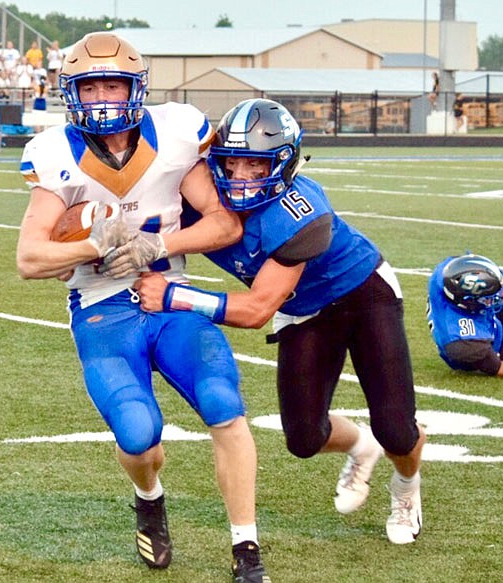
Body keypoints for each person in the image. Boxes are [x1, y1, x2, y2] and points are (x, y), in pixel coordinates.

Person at [16, 32, 270, 582]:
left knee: (223, 401)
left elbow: (224, 221)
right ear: (71, 93)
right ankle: (148, 497)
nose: (104, 98)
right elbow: (29, 257)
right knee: (137, 434)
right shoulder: (56, 152)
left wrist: (159, 245)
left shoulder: (177, 131)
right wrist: (91, 245)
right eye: (91, 86)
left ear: (136, 87)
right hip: (101, 307)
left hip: (170, 294)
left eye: (113, 83)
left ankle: (246, 547)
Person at [122, 98, 427, 545]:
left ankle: (406, 489)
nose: (241, 177)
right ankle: (362, 445)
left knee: (397, 427)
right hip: (305, 310)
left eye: (256, 166)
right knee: (304, 438)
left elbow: (258, 308)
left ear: (284, 167)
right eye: (232, 163)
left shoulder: (301, 213)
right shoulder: (202, 195)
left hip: (362, 293)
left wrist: (177, 296)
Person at [427, 253, 503, 376]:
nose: (502, 295)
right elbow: (500, 368)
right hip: (485, 347)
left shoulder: (446, 273)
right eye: (488, 299)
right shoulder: (465, 343)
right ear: (470, 303)